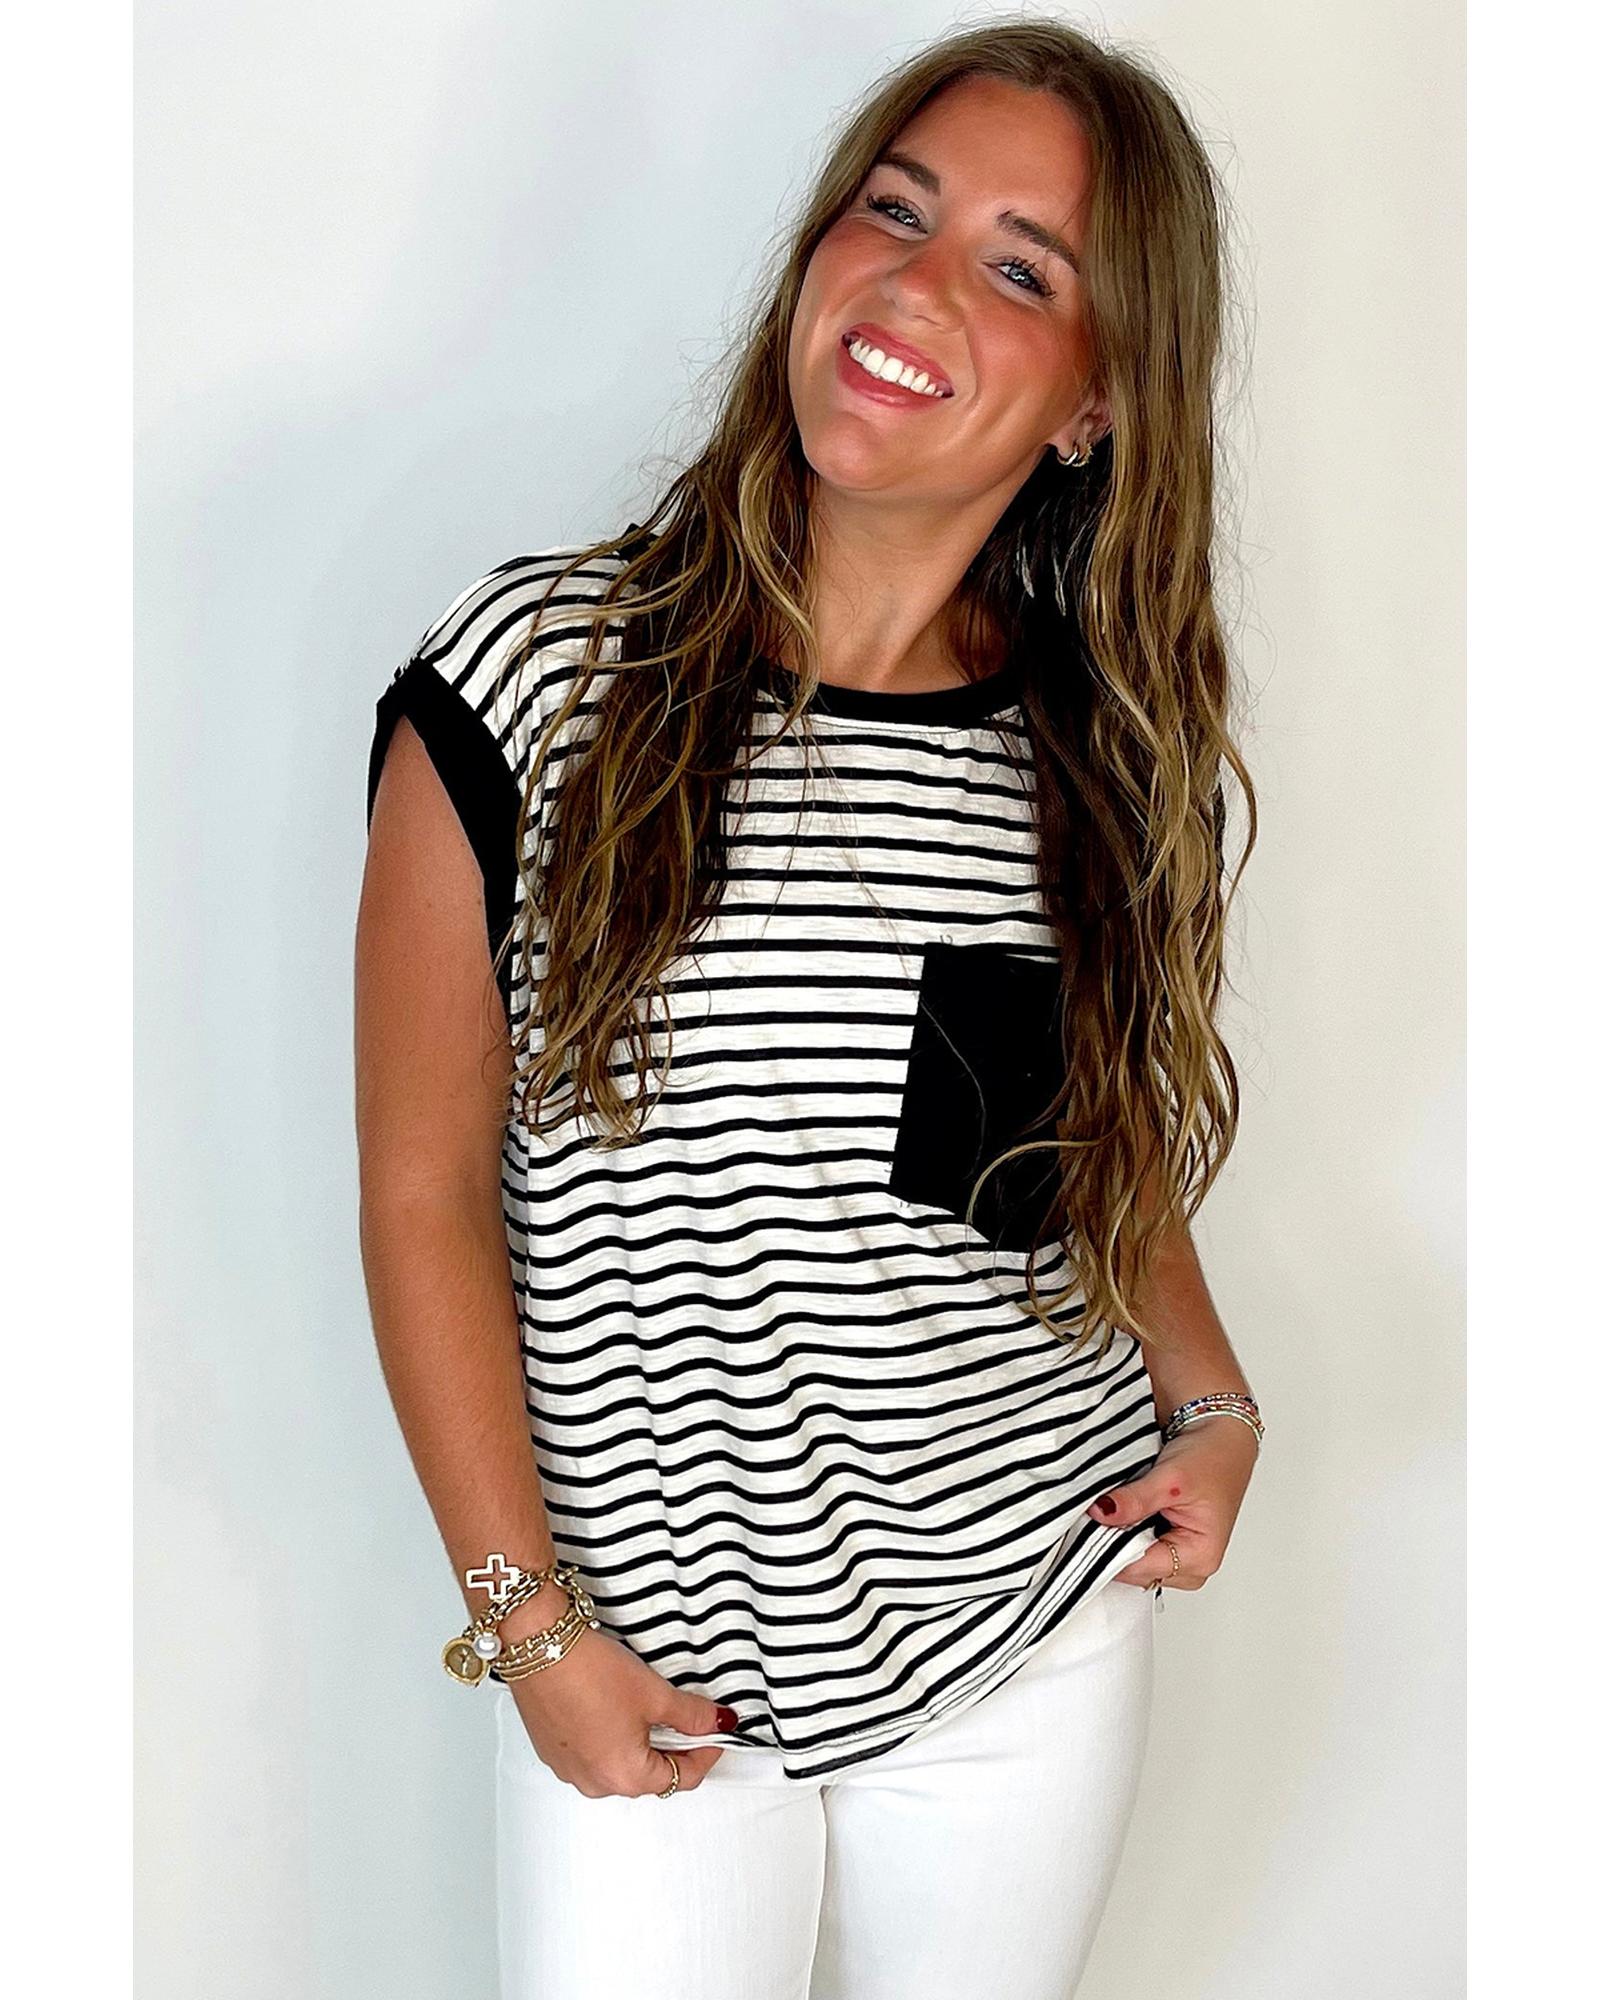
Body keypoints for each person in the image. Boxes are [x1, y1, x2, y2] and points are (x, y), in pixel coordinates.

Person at [355, 18, 1263, 2000]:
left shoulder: (1086, 764)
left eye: (1021, 266)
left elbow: (1066, 1163)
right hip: (643, 1664)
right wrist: (527, 1623)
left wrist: (1208, 1396)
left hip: (1021, 1634)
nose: (918, 285)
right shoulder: (532, 681)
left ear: (1098, 399)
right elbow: (424, 1193)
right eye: (895, 210)